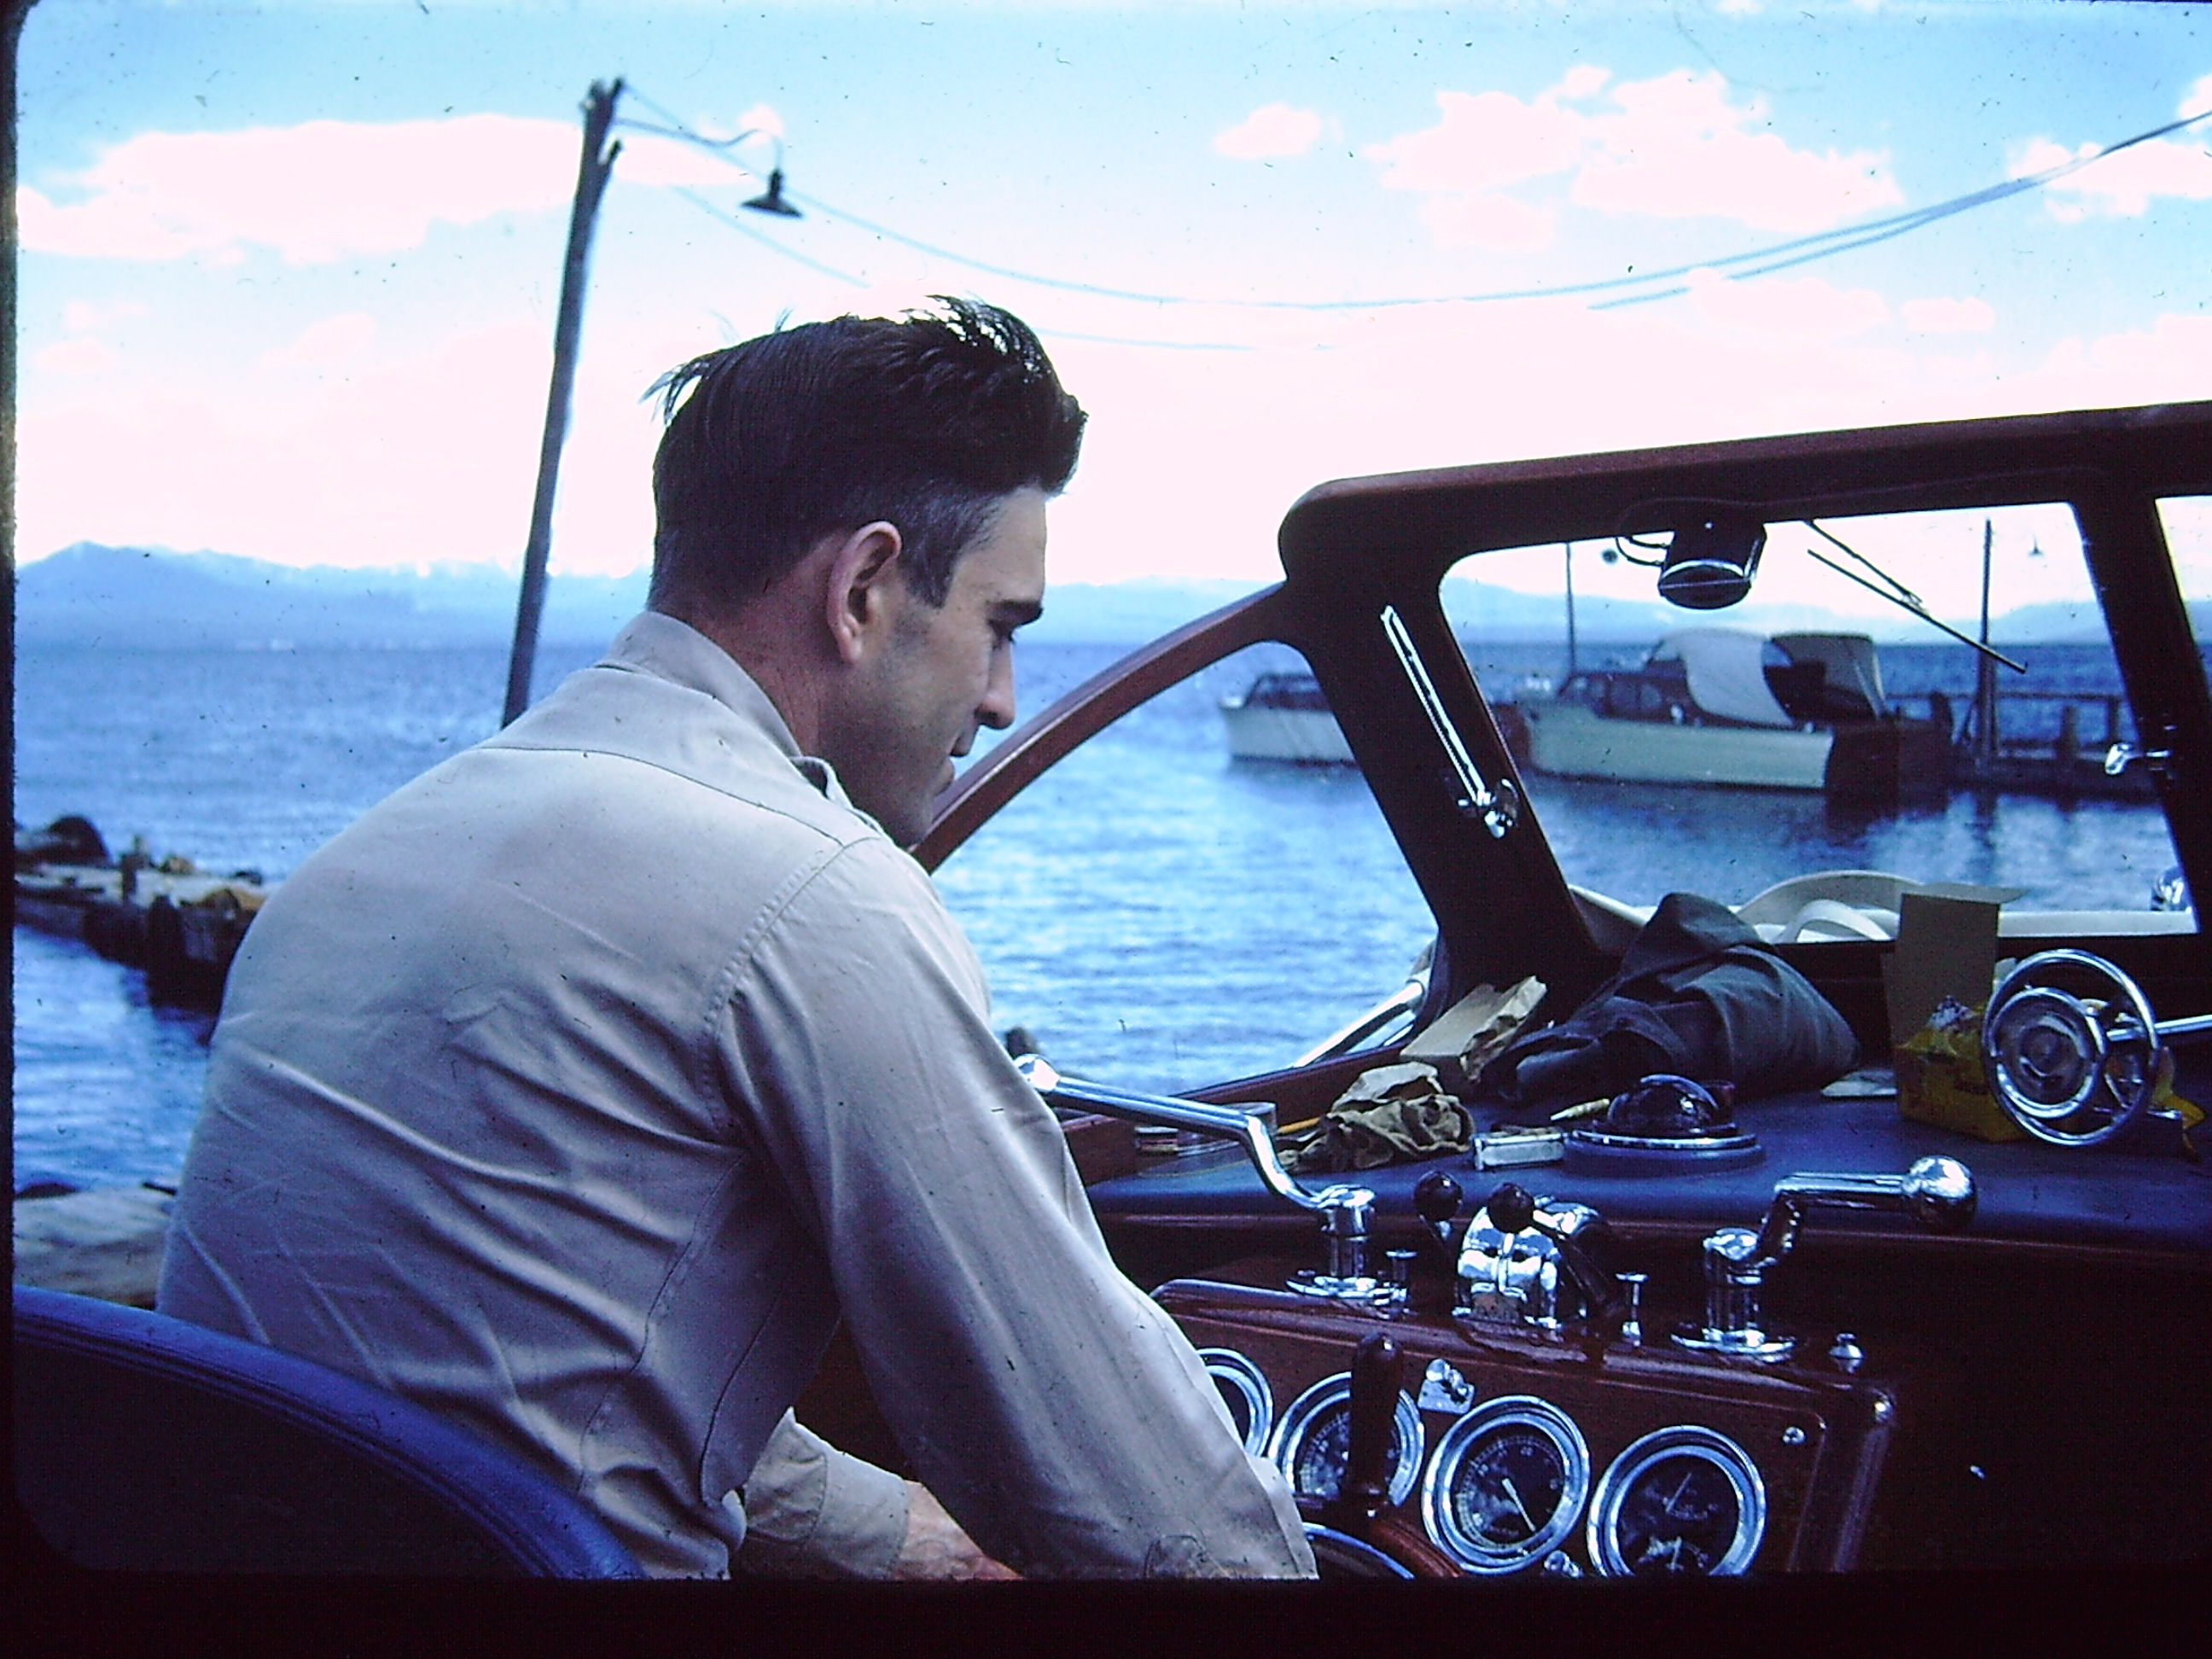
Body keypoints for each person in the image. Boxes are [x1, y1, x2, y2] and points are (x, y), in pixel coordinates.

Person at [156, 299, 1315, 1581]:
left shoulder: (359, 862)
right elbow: (1153, 1520)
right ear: (865, 588)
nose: (998, 698)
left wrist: (906, 1541)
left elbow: (541, 1370)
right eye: (1001, 626)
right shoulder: (813, 892)